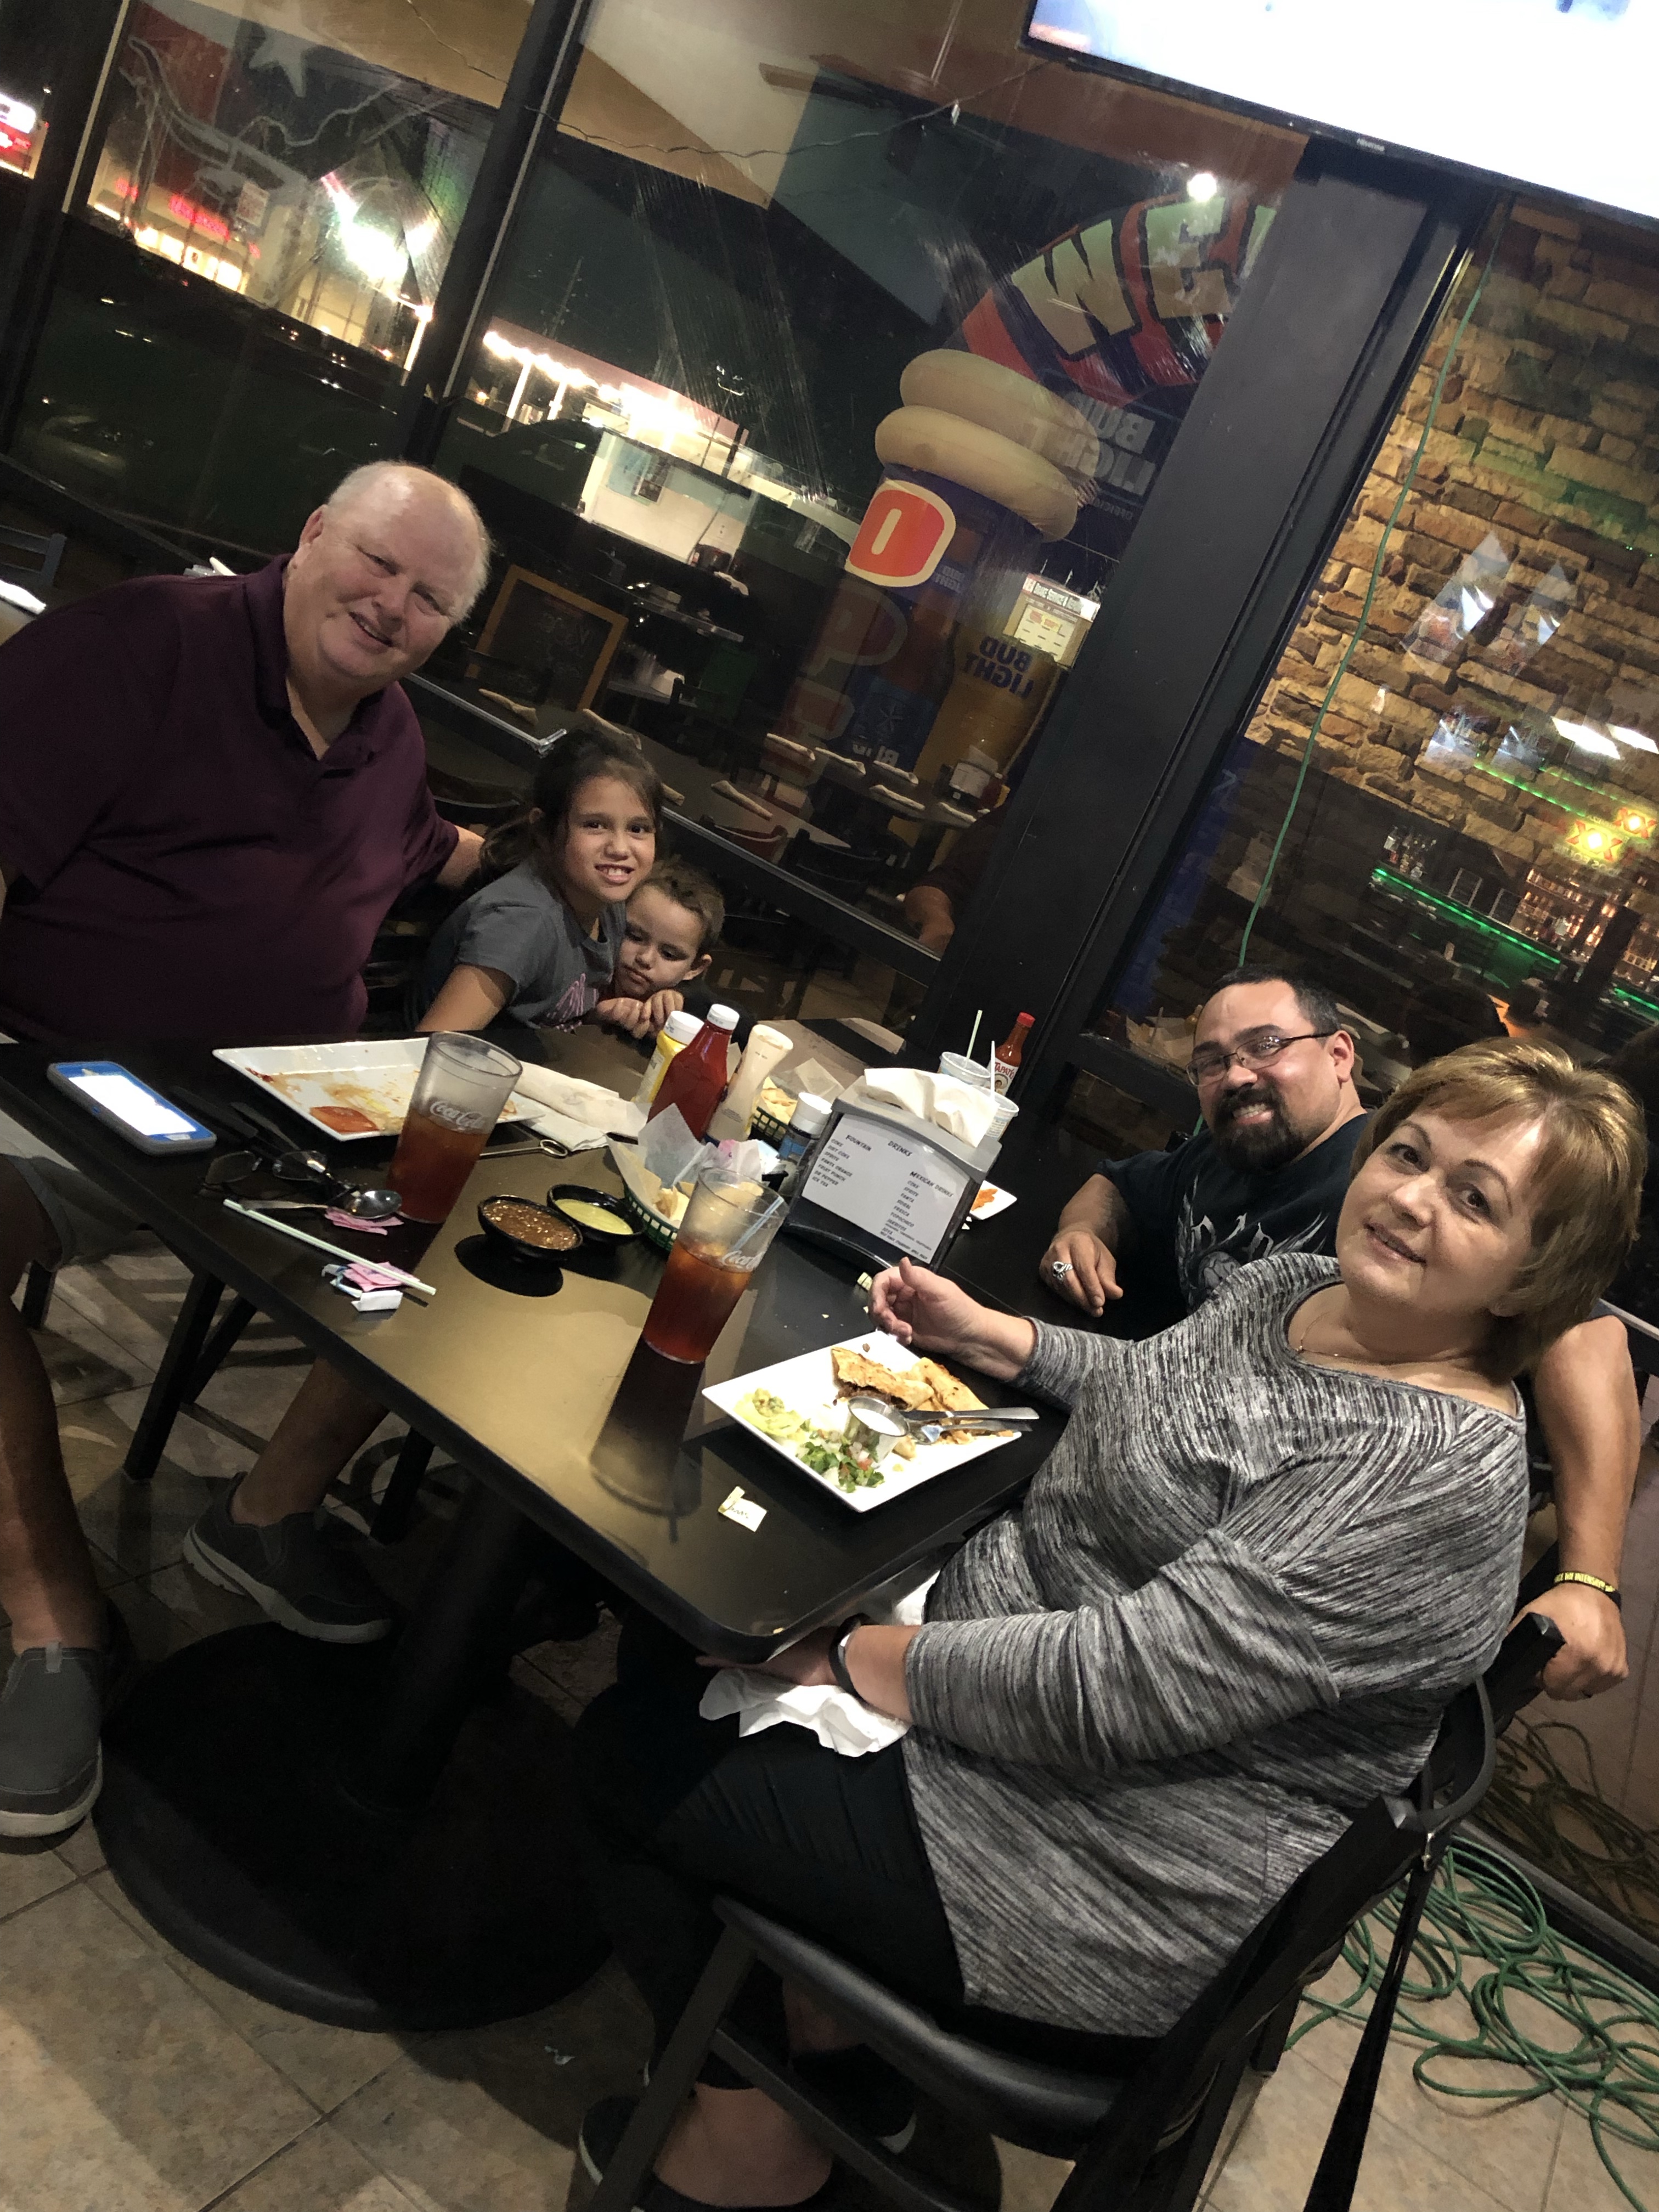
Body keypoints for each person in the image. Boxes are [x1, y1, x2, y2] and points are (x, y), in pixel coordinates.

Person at [571, 1039, 1643, 2212]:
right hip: (1016, 1700)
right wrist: (989, 1334)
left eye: (1474, 1199)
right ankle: (833, 2058)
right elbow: (1154, 1392)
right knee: (678, 1628)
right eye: (1409, 1155)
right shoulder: (1301, 1291)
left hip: (1095, 1865)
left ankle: (752, 2151)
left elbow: (1113, 1687)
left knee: (630, 1754)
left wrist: (835, 1654)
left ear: (1533, 1279)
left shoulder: (1422, 1474)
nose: (1410, 1198)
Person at [0, 460, 493, 1836]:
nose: (391, 605)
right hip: (59, 1090)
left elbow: (428, 849)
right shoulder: (137, 647)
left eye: (430, 599)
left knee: (463, 1232)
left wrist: (563, 884)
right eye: (377, 561)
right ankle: (59, 1624)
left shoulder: (389, 732)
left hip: (277, 1123)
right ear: (311, 531)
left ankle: (266, 1515)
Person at [1039, 966, 1641, 1703]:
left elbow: (1590, 1340)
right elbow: (1120, 1182)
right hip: (1144, 1483)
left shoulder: (1377, 1200)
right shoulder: (1236, 1160)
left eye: (1266, 1046)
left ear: (1340, 1055)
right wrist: (1081, 1231)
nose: (1238, 1075)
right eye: (1212, 1061)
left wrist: (1589, 1580)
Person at [415, 729, 666, 1041]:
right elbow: (434, 1046)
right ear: (546, 831)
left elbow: (552, 1017)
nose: (620, 848)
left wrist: (599, 1016)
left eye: (638, 829)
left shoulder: (608, 907)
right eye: (594, 825)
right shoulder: (523, 924)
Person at [609, 858, 723, 1024]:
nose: (645, 958)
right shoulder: (587, 976)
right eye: (634, 937)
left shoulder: (692, 1009)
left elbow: (744, 1023)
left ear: (695, 967)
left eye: (669, 954)